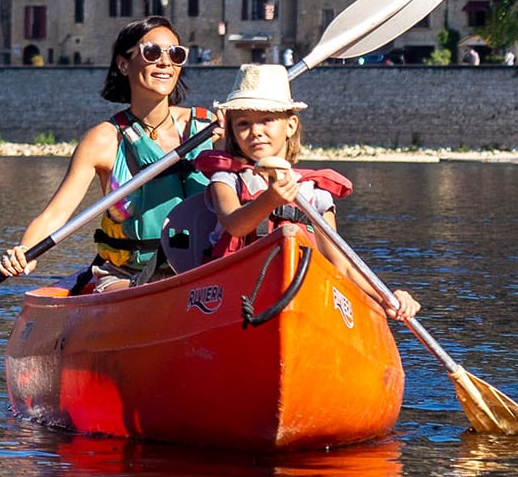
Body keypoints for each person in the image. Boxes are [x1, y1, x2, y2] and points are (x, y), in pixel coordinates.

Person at [172, 66, 419, 317]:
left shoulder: (314, 192)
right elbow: (235, 225)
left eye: (267, 120)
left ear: (290, 125)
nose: (255, 131)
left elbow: (340, 262)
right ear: (233, 131)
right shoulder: (226, 179)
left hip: (302, 298)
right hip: (235, 294)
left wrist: (387, 296)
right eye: (243, 123)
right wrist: (270, 200)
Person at [0, 18, 218, 294]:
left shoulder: (210, 128)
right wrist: (25, 252)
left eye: (175, 54)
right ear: (123, 64)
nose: (165, 63)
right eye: (152, 52)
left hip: (208, 269)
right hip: (130, 276)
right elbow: (55, 215)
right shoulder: (103, 141)